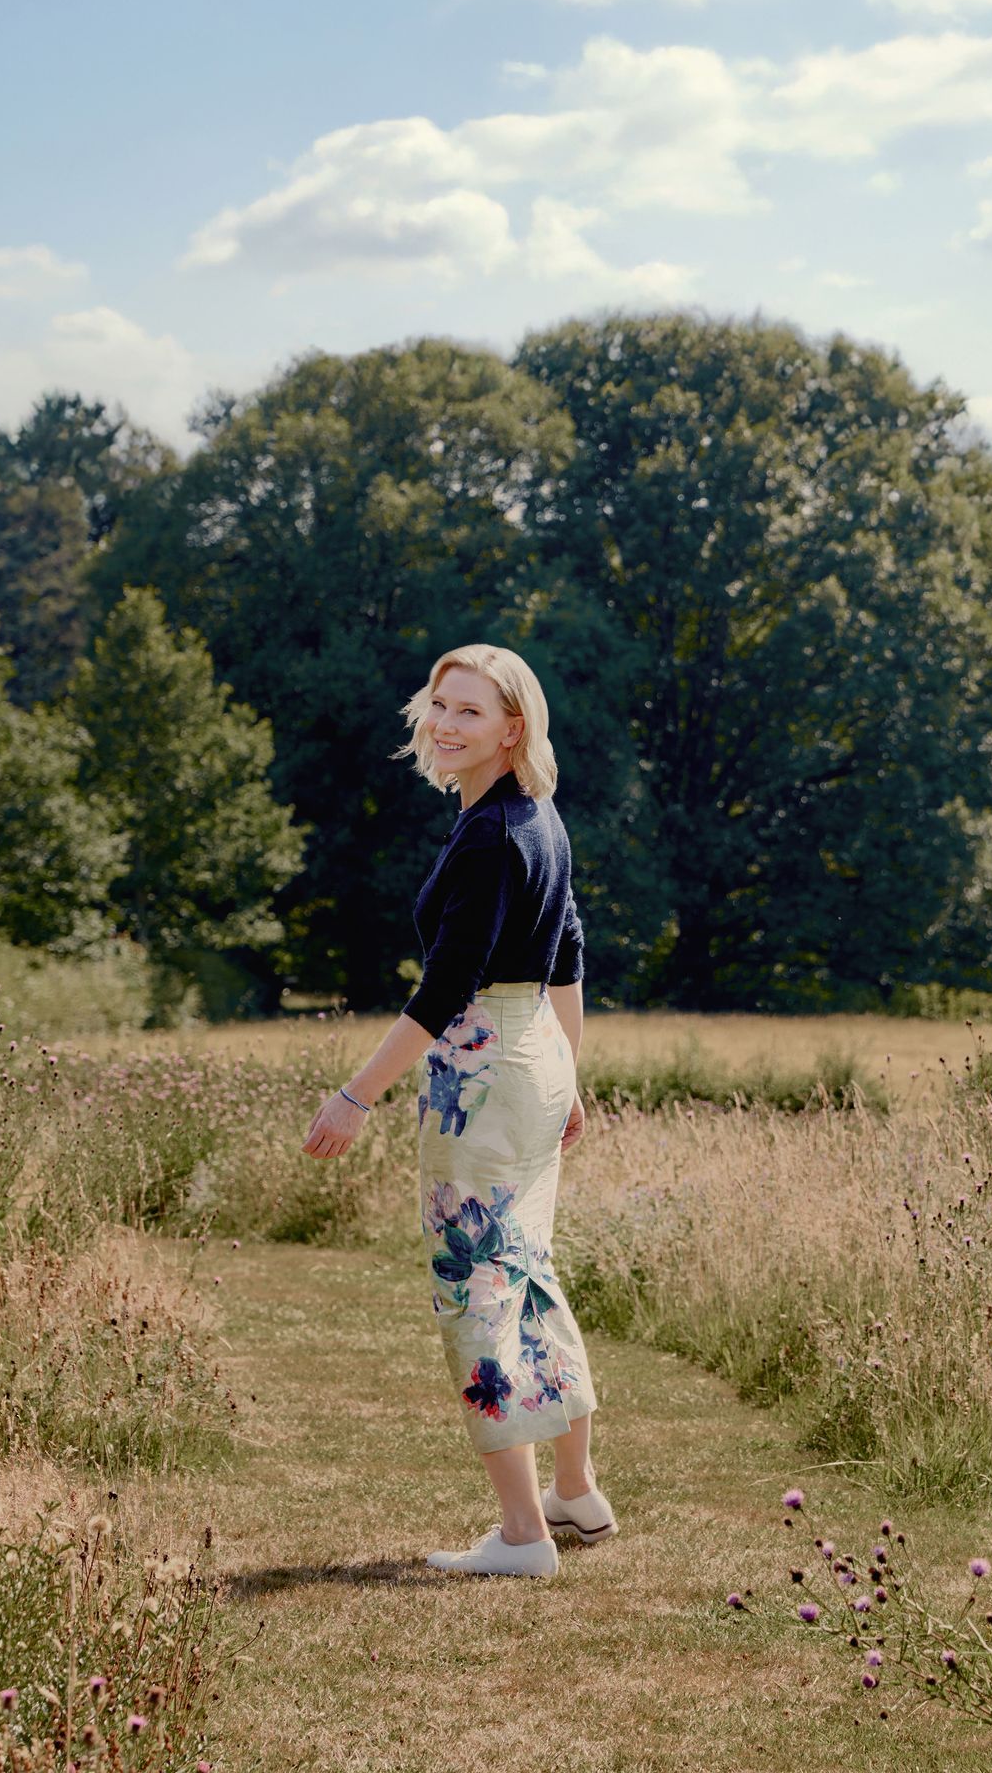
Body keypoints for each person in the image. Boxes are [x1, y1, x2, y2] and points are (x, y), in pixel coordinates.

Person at [301, 642, 616, 1578]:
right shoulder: (536, 817)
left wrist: (356, 1095)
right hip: (533, 1062)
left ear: (513, 727)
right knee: (528, 1271)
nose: (444, 724)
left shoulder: (492, 833)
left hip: (484, 1072)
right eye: (440, 705)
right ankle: (575, 1494)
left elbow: (446, 987)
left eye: (469, 711)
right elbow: (567, 954)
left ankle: (523, 1536)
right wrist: (569, 1074)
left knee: (474, 1288)